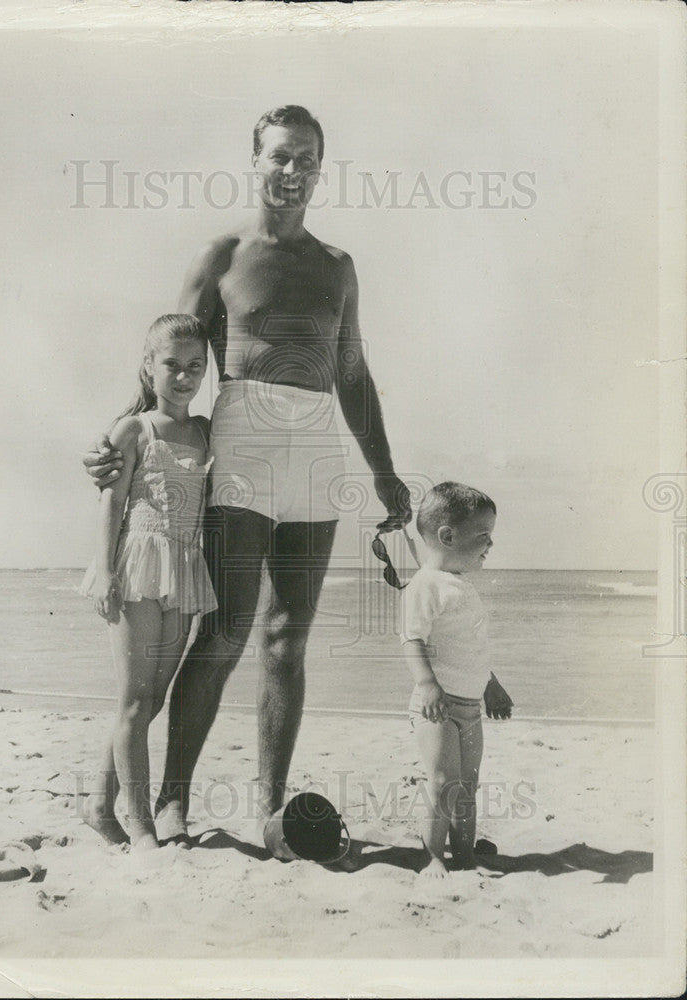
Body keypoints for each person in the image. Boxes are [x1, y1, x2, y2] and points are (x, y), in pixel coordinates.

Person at [84, 105, 411, 852]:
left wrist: (385, 474)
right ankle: (172, 800)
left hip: (318, 447)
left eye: (306, 160)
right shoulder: (223, 254)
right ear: (255, 162)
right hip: (244, 441)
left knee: (288, 640)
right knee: (226, 629)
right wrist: (121, 443)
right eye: (280, 158)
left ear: (321, 169)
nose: (292, 172)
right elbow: (170, 360)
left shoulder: (337, 267)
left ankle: (271, 811)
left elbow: (354, 375)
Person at [79, 315, 217, 851]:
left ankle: (97, 800)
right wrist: (105, 571)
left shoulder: (205, 430)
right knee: (134, 701)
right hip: (136, 563)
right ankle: (140, 826)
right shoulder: (133, 429)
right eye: (172, 365)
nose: (183, 377)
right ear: (147, 367)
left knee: (153, 699)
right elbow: (110, 500)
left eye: (195, 367)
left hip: (183, 566)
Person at [401, 482, 513, 880]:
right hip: (438, 706)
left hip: (470, 705)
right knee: (444, 781)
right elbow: (412, 638)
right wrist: (427, 684)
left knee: (468, 784)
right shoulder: (425, 584)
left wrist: (491, 685)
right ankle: (432, 855)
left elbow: (470, 647)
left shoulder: (460, 585)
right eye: (483, 535)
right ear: (447, 536)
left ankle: (464, 854)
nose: (490, 544)